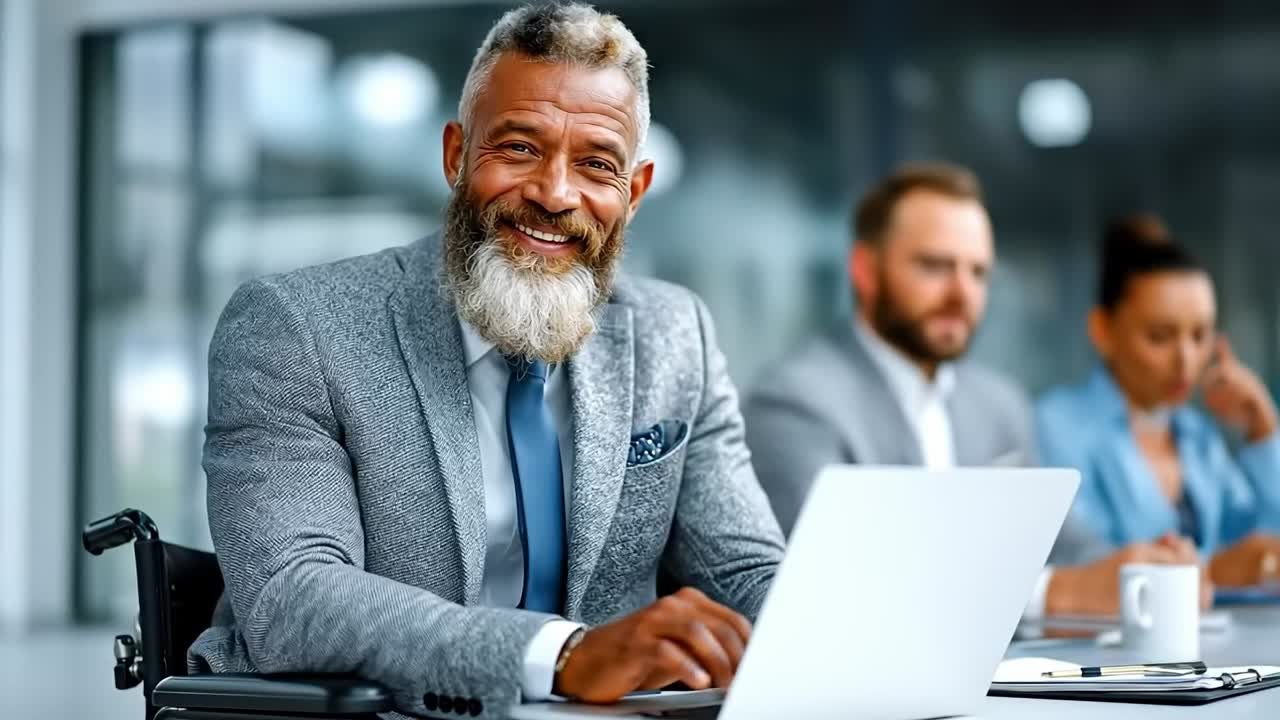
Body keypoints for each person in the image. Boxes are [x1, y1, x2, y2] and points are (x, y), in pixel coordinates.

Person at [188, 5, 785, 717]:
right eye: (520, 149)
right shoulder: (297, 328)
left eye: (596, 164)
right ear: (455, 156)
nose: (554, 194)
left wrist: (858, 643)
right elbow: (294, 594)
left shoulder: (673, 332)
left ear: (634, 192)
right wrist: (561, 656)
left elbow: (745, 569)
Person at [744, 164, 1205, 619]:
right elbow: (830, 583)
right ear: (865, 270)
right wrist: (1053, 594)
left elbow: (1062, 544)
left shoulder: (997, 404)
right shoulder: (794, 403)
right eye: (935, 266)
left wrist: (1142, 567)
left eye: (978, 272)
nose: (962, 293)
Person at [1037, 215, 1280, 588]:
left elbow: (1262, 538)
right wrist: (1212, 572)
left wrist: (1263, 431)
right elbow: (1084, 565)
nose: (1186, 360)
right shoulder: (1055, 428)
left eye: (1200, 335)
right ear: (1103, 329)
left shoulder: (1197, 435)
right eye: (1160, 336)